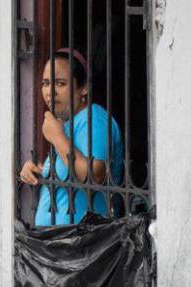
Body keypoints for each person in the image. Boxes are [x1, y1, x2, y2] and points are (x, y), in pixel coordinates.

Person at [18, 49, 124, 226]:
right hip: (56, 240)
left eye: (60, 83)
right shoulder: (68, 124)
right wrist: (37, 172)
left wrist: (57, 137)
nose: (50, 91)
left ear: (84, 87)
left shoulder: (95, 119)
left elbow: (93, 177)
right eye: (45, 83)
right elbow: (66, 176)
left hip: (84, 240)